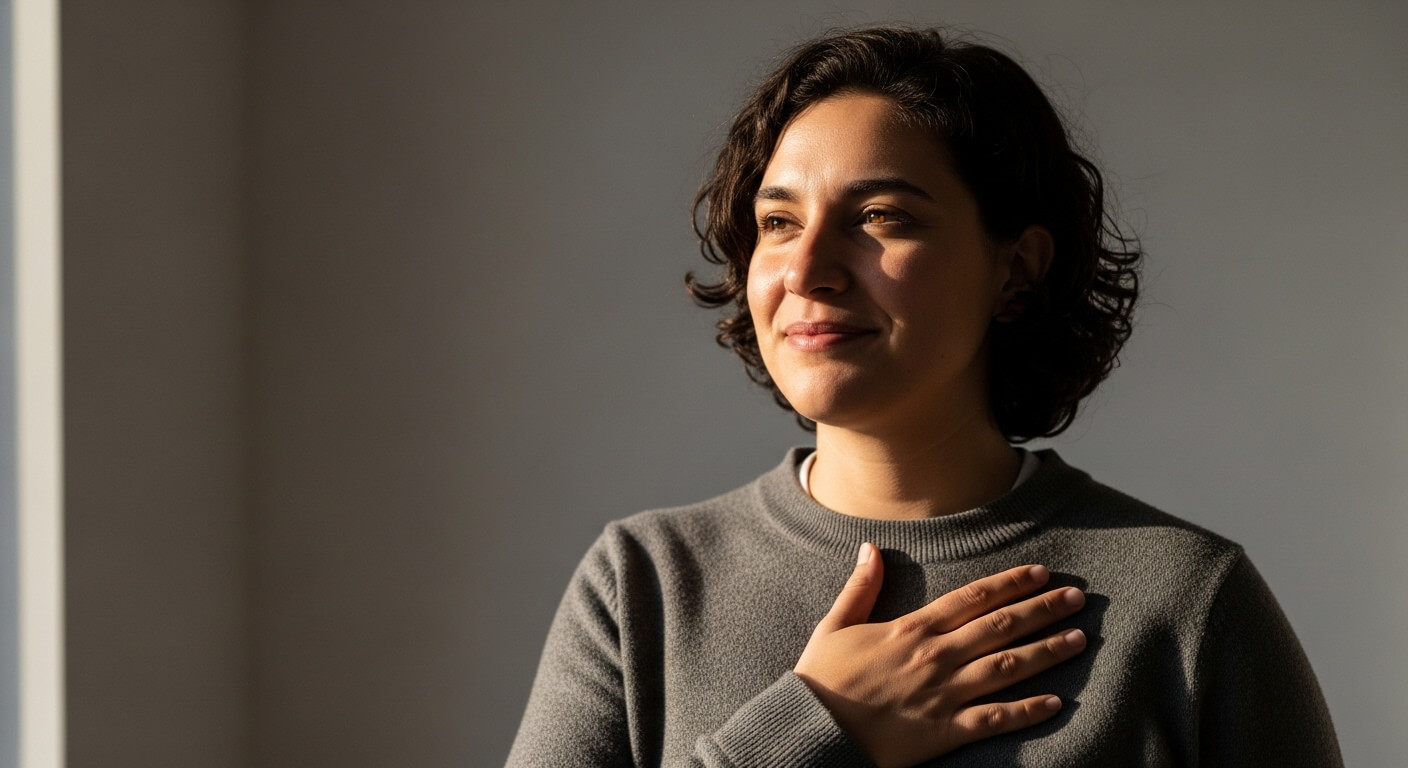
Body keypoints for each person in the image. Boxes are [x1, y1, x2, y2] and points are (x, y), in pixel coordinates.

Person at [506, 26, 1341, 767]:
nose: (806, 270)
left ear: (1015, 269)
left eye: (878, 216)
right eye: (779, 223)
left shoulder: (1189, 601)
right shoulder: (642, 583)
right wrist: (816, 728)